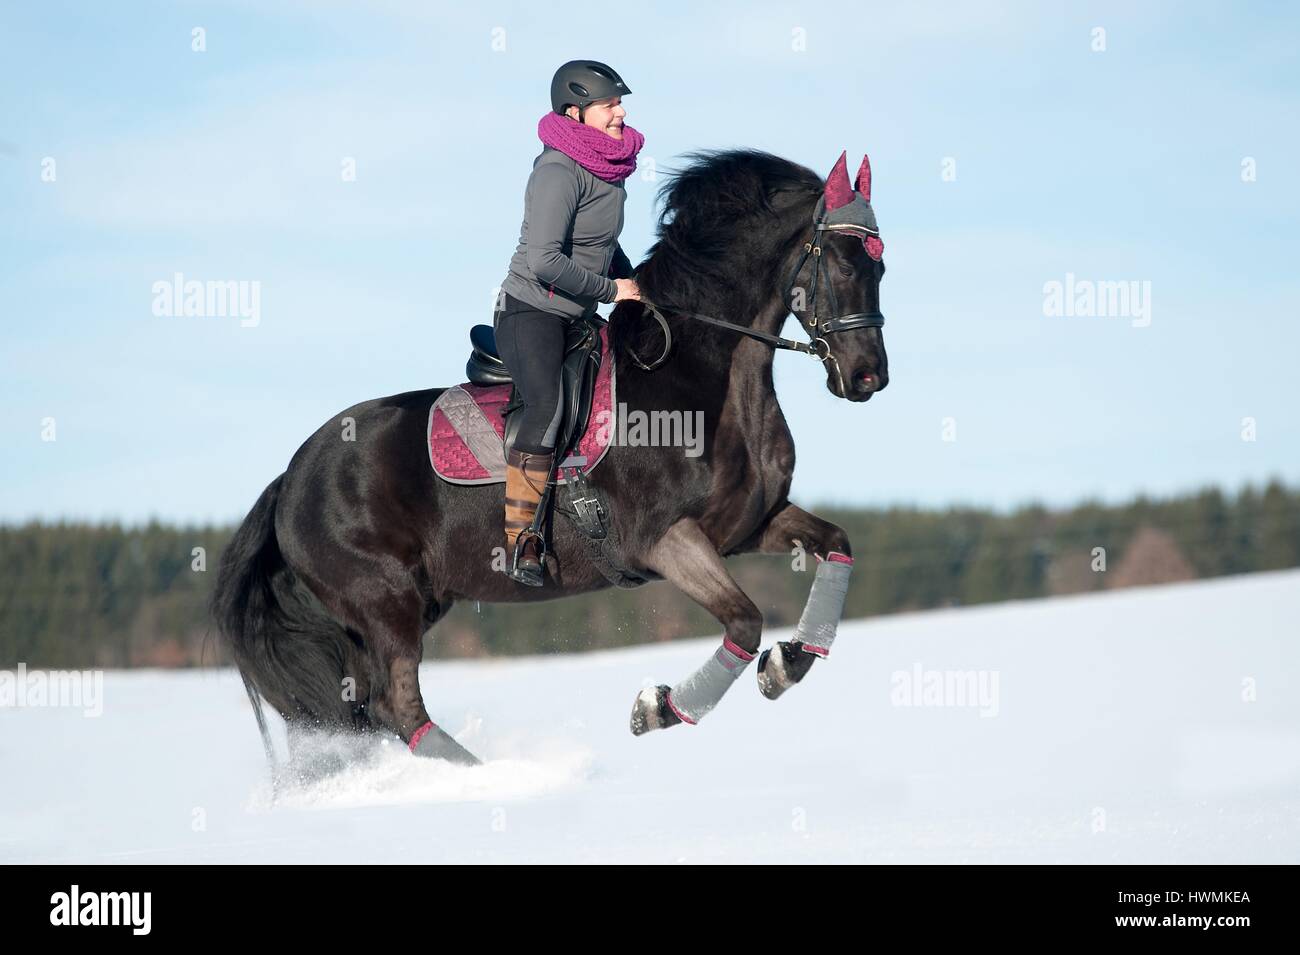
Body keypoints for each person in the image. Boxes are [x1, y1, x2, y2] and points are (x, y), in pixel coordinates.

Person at [496, 59, 644, 586]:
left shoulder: (609, 170)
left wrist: (639, 282)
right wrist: (612, 291)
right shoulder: (557, 170)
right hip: (530, 311)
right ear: (576, 113)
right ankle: (521, 541)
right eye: (610, 105)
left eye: (620, 103)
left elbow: (601, 243)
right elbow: (544, 261)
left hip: (578, 314)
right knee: (548, 405)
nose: (620, 113)